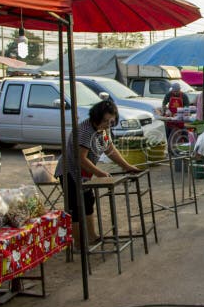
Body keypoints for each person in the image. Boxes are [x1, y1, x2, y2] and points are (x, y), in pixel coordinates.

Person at [54, 99, 141, 250]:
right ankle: (79, 244)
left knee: (88, 203)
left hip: (84, 173)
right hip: (69, 171)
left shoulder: (104, 130)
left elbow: (110, 150)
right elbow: (81, 159)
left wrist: (127, 166)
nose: (108, 124)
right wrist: (100, 173)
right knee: (75, 207)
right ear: (96, 118)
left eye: (111, 121)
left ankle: (92, 237)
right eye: (105, 121)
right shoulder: (85, 130)